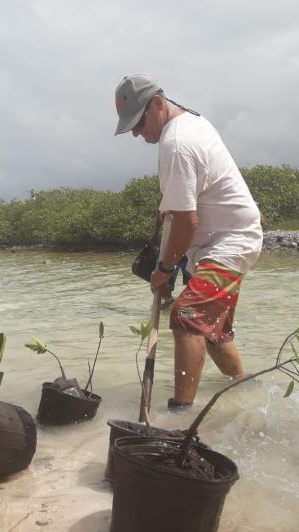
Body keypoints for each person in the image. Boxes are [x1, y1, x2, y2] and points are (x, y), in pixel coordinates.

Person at [114, 74, 263, 409]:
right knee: (213, 332)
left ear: (156, 103)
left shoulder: (176, 143)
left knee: (186, 317)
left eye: (138, 124)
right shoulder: (191, 123)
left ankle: (181, 414)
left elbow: (186, 221)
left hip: (229, 244)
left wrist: (165, 270)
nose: (137, 134)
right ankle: (245, 390)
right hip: (217, 243)